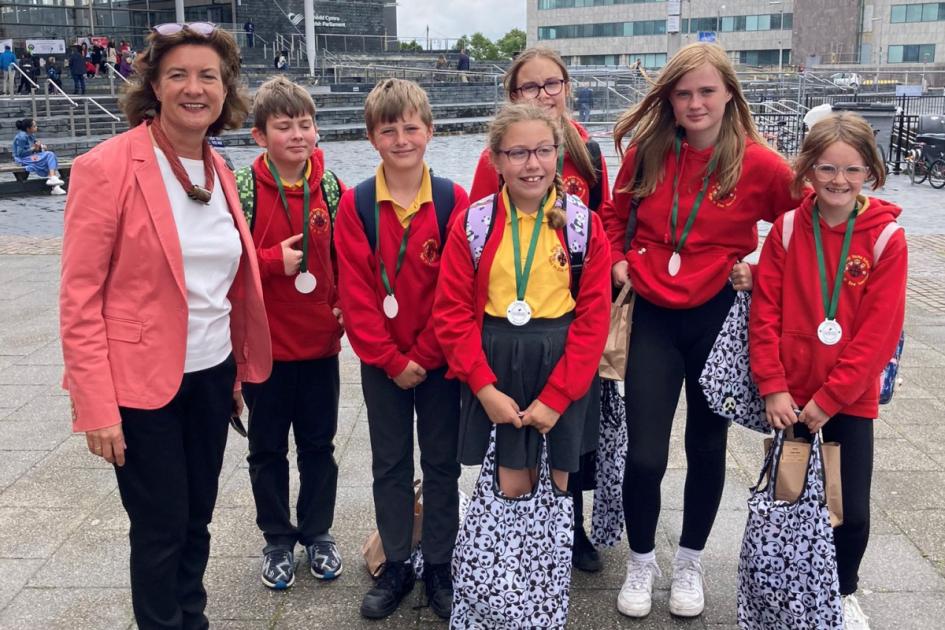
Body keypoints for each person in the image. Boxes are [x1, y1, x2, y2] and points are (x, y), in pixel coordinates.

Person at [59, 23, 271, 629]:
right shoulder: (105, 167)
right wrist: (95, 407)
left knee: (197, 518)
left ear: (225, 89)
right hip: (140, 387)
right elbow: (79, 298)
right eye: (177, 74)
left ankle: (191, 618)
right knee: (159, 528)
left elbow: (219, 287)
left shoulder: (218, 168)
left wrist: (234, 371)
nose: (194, 88)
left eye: (208, 75)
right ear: (153, 84)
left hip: (210, 377)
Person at [599, 42, 797, 619]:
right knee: (646, 456)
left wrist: (761, 271)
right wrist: (616, 259)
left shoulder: (759, 163)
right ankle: (641, 561)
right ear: (669, 99)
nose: (695, 103)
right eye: (683, 93)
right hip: (654, 315)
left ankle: (689, 560)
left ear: (729, 93)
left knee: (707, 447)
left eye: (706, 91)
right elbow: (615, 213)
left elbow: (811, 224)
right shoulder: (648, 151)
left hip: (718, 318)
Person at [433, 102, 609, 620]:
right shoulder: (476, 223)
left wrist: (558, 397)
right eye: (518, 153)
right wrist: (483, 388)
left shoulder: (582, 226)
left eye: (543, 150)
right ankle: (504, 599)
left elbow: (593, 320)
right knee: (510, 485)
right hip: (498, 366)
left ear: (558, 153)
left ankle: (543, 601)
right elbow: (451, 313)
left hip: (561, 368)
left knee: (556, 489)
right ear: (496, 160)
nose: (532, 164)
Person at [750, 112, 907, 630]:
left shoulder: (887, 240)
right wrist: (772, 386)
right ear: (808, 171)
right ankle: (787, 585)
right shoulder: (791, 229)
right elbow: (765, 310)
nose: (839, 180)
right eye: (827, 168)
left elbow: (878, 336)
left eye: (852, 169)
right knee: (789, 496)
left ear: (871, 172)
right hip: (789, 397)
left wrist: (832, 398)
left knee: (849, 507)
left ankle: (843, 590)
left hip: (848, 400)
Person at [468, 45, 611, 573]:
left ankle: (562, 544)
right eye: (531, 87)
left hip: (564, 332)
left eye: (552, 84)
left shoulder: (589, 157)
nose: (543, 94)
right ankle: (515, 567)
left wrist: (609, 260)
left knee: (566, 457)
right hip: (506, 342)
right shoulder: (485, 201)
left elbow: (605, 221)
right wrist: (482, 381)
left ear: (566, 88)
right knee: (512, 464)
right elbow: (474, 260)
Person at [334, 78, 468, 621]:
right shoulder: (357, 204)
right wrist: (391, 359)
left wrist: (427, 355)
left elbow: (458, 289)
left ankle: (439, 562)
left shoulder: (454, 200)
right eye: (388, 130)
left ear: (430, 132)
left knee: (441, 465)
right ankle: (397, 563)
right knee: (389, 464)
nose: (401, 138)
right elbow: (357, 293)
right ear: (372, 138)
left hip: (439, 363)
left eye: (411, 127)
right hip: (382, 364)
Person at [235, 75, 347, 591]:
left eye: (306, 124)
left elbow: (349, 259)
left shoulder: (331, 187)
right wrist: (270, 262)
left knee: (319, 447)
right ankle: (277, 537)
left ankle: (318, 532)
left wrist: (346, 303)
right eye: (284, 127)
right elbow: (225, 264)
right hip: (265, 349)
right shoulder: (240, 191)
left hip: (320, 345)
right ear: (260, 135)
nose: (298, 135)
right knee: (266, 450)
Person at [12, 118, 66, 195]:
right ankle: (54, 181)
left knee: (49, 156)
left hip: (30, 156)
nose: (36, 127)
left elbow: (35, 145)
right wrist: (34, 148)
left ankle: (54, 184)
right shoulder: (22, 137)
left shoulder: (31, 135)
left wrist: (41, 146)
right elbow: (20, 154)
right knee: (49, 155)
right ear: (28, 128)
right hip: (22, 159)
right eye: (34, 126)